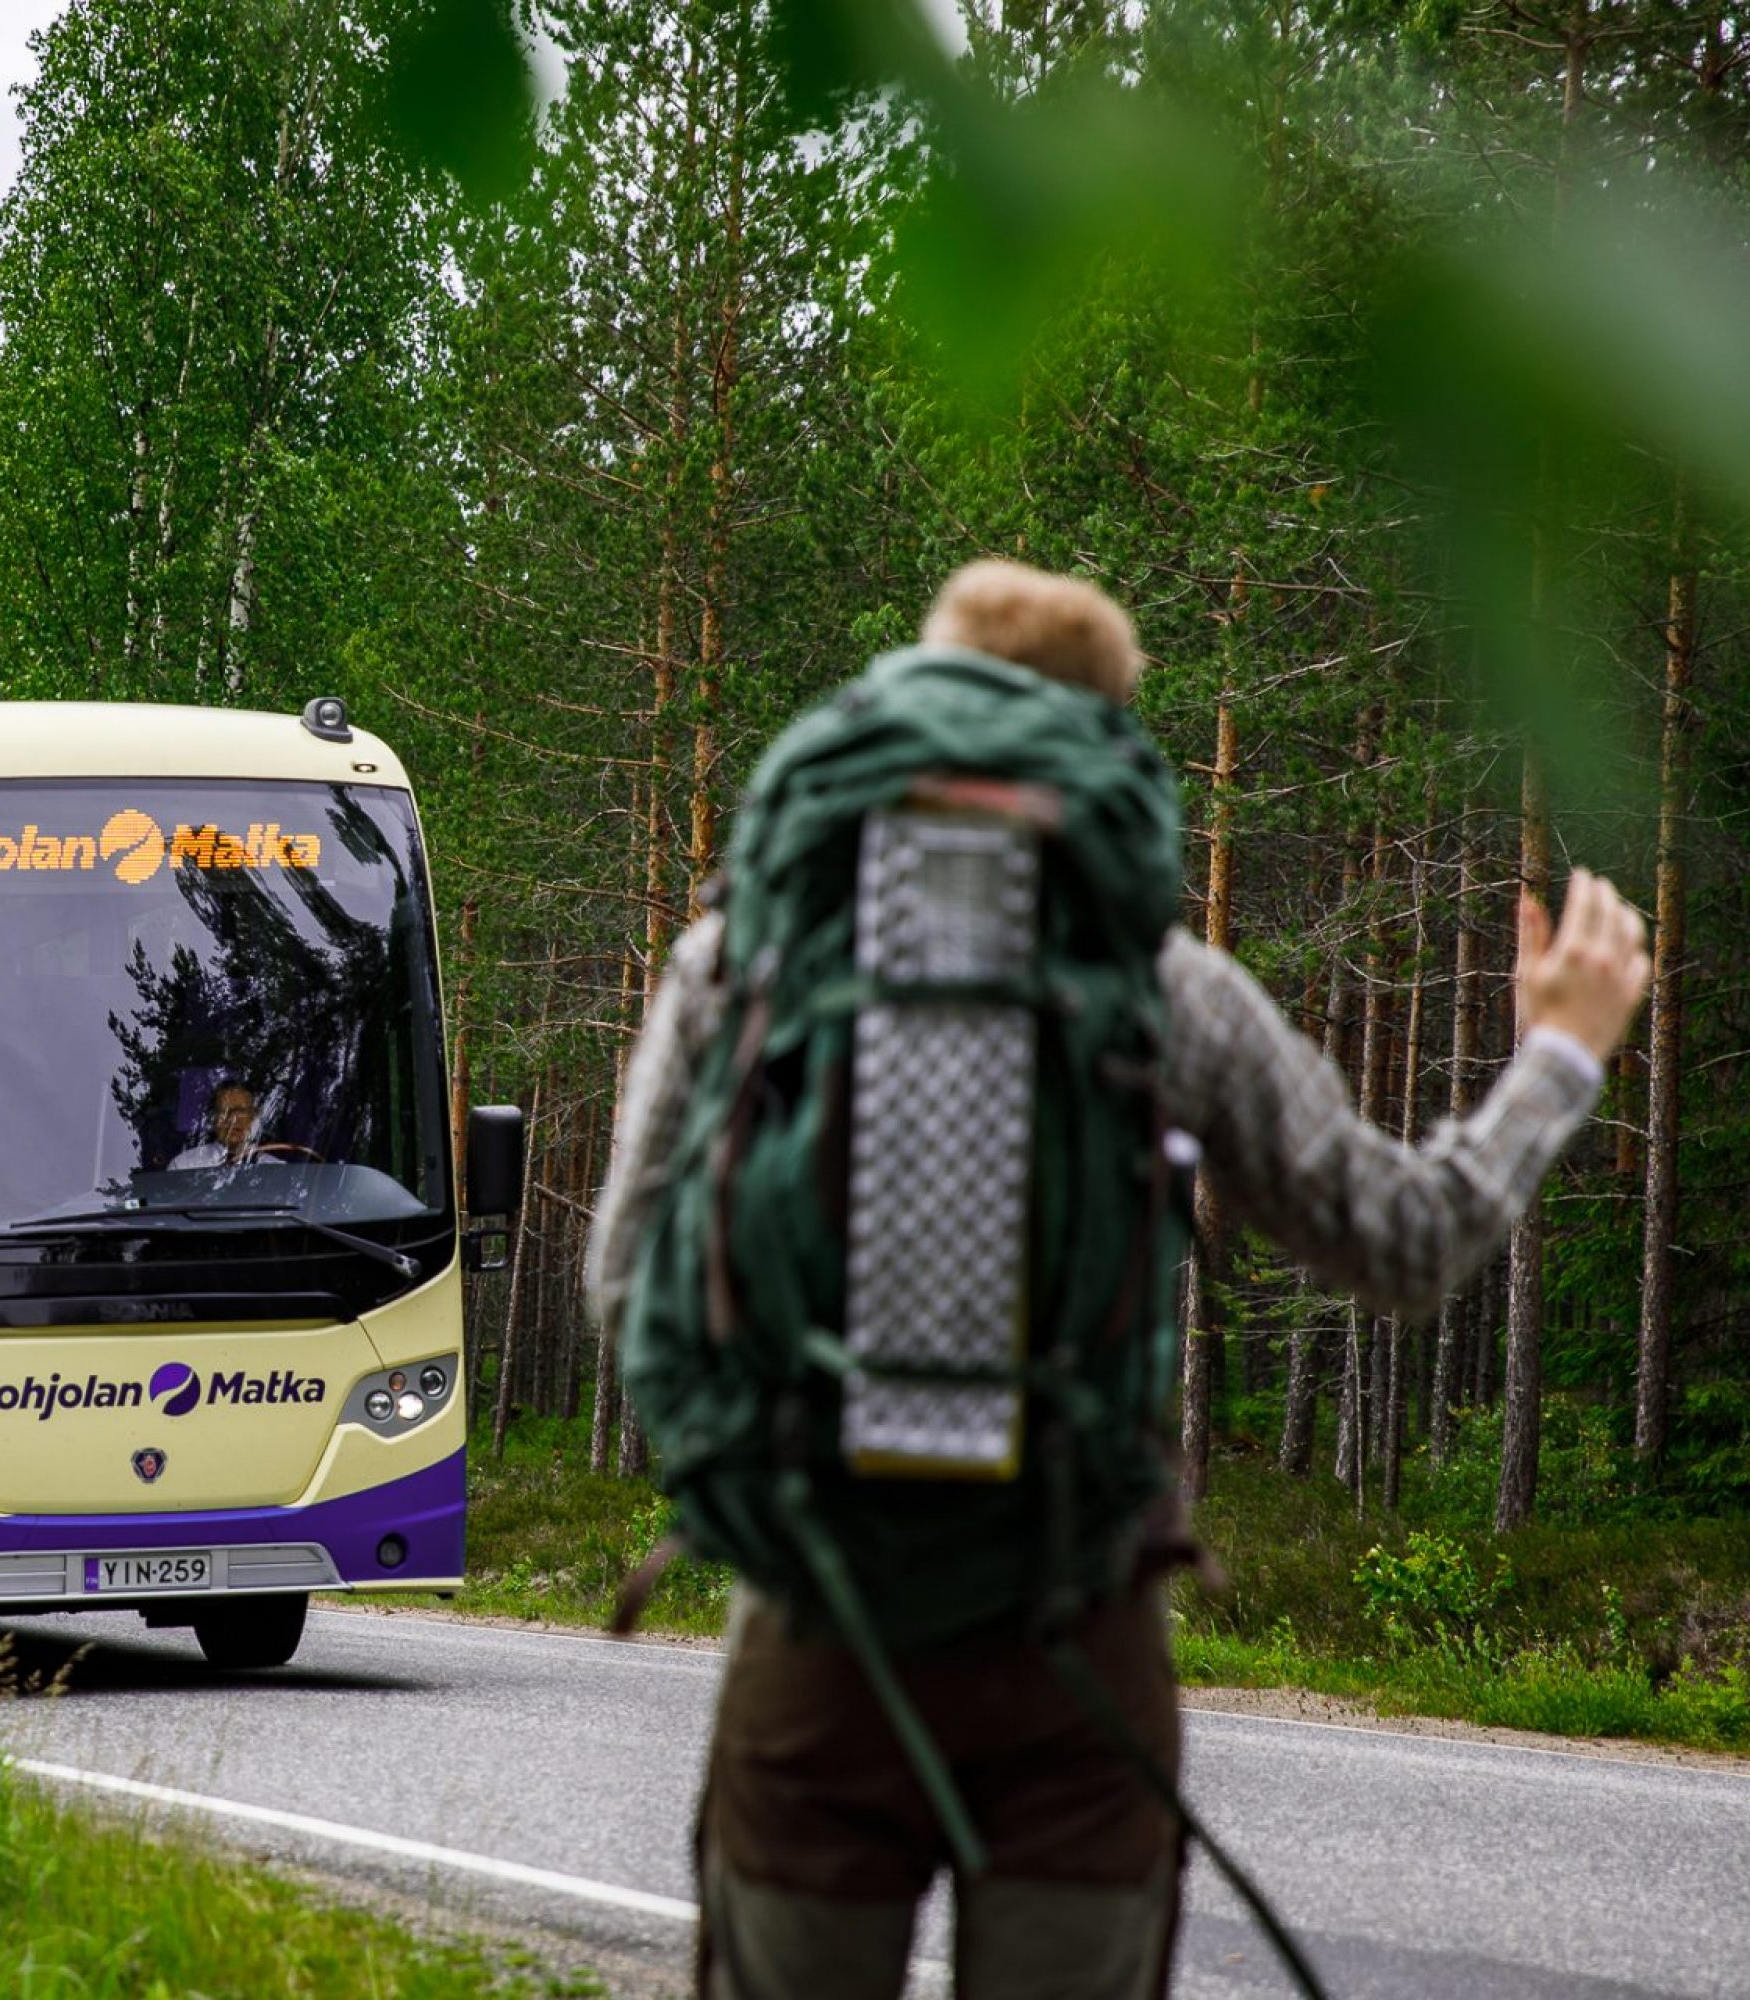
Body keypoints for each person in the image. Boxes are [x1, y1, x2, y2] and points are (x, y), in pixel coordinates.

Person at [587, 559, 1653, 1999]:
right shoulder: (1164, 986)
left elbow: (618, 1280)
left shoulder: (742, 956)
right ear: (1101, 742)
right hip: (1074, 1649)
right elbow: (1410, 1241)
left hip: (817, 1632)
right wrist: (1560, 1056)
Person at [169, 1078, 314, 1167]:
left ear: (253, 1116)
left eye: (240, 1112)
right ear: (214, 1119)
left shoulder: (275, 1170)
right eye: (224, 1112)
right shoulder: (184, 1166)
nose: (233, 1120)